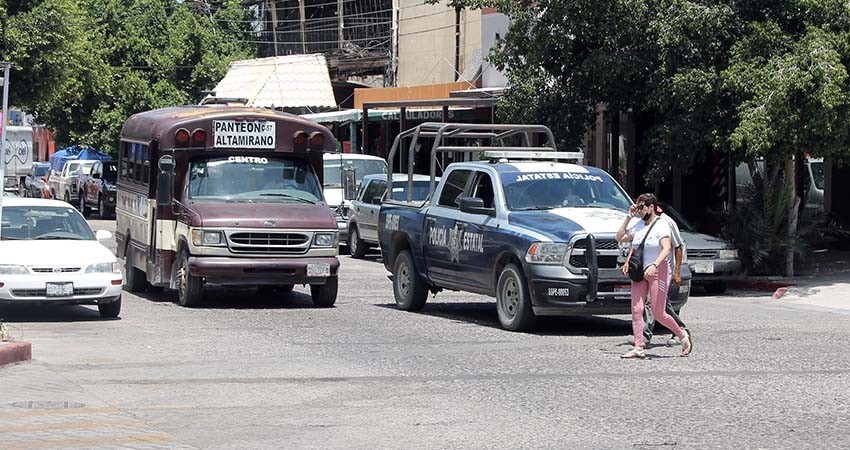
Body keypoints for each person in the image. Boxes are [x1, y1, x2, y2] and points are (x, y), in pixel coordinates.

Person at [616, 193, 692, 358]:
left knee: (659, 312)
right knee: (636, 309)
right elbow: (620, 238)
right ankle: (639, 346)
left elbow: (666, 248)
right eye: (637, 207)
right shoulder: (638, 225)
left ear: (651, 207)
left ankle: (682, 335)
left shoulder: (662, 225)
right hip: (639, 271)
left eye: (641, 207)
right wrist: (628, 217)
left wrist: (655, 264)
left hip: (658, 270)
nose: (639, 210)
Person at [642, 202, 688, 347]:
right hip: (651, 271)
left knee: (652, 304)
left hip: (664, 271)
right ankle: (680, 330)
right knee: (662, 306)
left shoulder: (667, 223)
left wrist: (677, 272)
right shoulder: (646, 223)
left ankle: (645, 337)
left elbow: (678, 246)